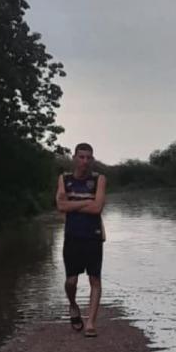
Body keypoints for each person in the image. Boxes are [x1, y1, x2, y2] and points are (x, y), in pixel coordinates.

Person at [56, 142, 107, 337]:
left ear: (92, 159)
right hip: (72, 236)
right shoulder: (64, 179)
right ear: (75, 158)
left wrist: (73, 204)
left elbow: (97, 208)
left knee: (95, 279)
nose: (85, 161)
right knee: (71, 281)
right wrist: (86, 201)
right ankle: (73, 305)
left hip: (93, 236)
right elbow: (61, 206)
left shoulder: (99, 179)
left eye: (88, 157)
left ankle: (91, 323)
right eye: (81, 157)